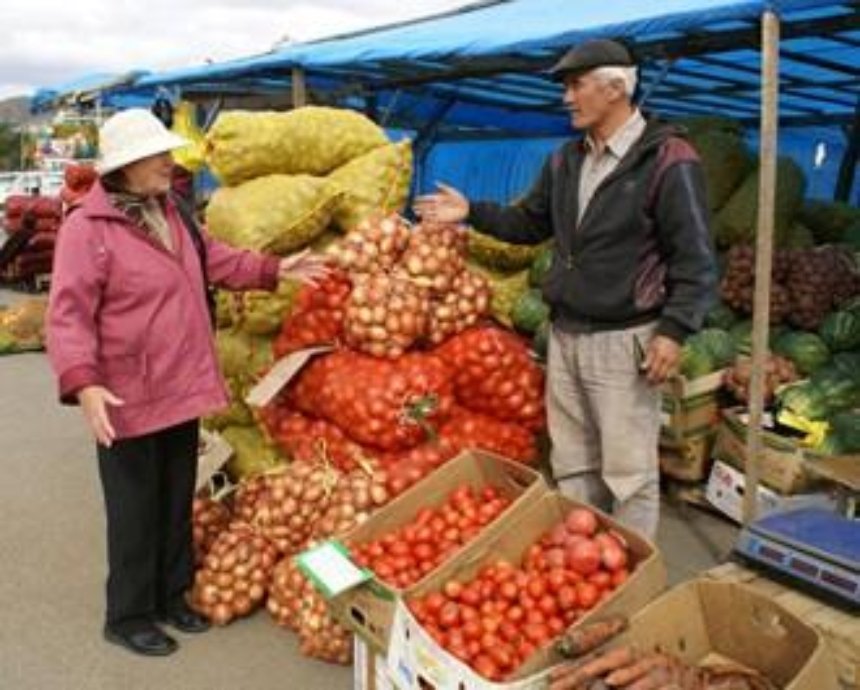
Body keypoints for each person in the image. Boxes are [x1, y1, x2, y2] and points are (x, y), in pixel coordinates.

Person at [46, 109, 329, 657]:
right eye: (158, 156)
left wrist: (276, 270)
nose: (170, 164)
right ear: (126, 166)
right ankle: (128, 613)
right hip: (125, 393)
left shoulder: (170, 209)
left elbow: (216, 260)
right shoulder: (88, 229)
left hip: (182, 383)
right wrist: (83, 383)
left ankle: (173, 596)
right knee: (135, 507)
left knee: (176, 498)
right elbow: (69, 314)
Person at [415, 39, 716, 539]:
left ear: (616, 87)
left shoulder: (668, 159)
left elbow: (696, 257)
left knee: (627, 470)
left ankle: (630, 572)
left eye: (576, 85)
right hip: (566, 333)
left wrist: (675, 329)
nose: (566, 98)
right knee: (574, 461)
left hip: (625, 340)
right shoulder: (566, 160)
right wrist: (473, 212)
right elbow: (529, 222)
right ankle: (584, 564)